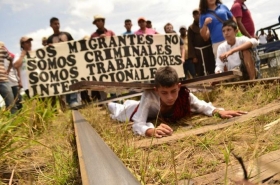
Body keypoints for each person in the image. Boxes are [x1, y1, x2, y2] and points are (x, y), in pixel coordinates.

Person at [108, 66, 246, 138]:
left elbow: (201, 106)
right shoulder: (149, 95)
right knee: (115, 108)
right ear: (156, 90)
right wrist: (149, 130)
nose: (170, 97)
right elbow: (139, 123)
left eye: (173, 91)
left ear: (178, 86)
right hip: (133, 110)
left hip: (143, 109)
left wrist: (218, 112)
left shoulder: (183, 94)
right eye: (164, 93)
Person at [47, 17, 80, 108]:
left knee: (72, 80)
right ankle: (68, 102)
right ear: (51, 25)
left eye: (58, 23)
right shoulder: (50, 39)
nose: (57, 25)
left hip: (70, 62)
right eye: (55, 24)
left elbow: (74, 46)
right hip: (59, 64)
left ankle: (73, 100)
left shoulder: (67, 35)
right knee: (65, 82)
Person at [188, 9, 216, 76]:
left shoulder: (207, 24)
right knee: (200, 70)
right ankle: (203, 84)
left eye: (198, 14)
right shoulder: (191, 28)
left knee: (211, 67)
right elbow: (190, 42)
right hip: (198, 52)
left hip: (209, 49)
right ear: (193, 16)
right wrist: (193, 56)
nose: (197, 15)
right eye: (195, 14)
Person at [0, 41, 17, 114]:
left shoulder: (2, 49)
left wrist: (8, 70)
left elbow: (11, 58)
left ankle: (15, 123)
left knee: (11, 104)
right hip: (4, 80)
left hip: (3, 79)